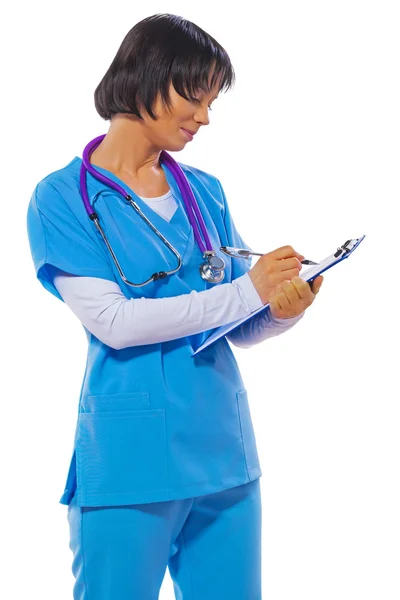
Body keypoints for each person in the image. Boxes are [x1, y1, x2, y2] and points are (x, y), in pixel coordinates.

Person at [26, 13, 323, 600]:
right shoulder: (62, 198)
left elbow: (239, 323)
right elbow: (114, 323)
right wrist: (248, 290)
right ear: (144, 79)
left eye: (211, 102)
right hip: (131, 462)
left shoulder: (204, 191)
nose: (205, 118)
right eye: (194, 96)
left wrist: (286, 305)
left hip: (224, 458)